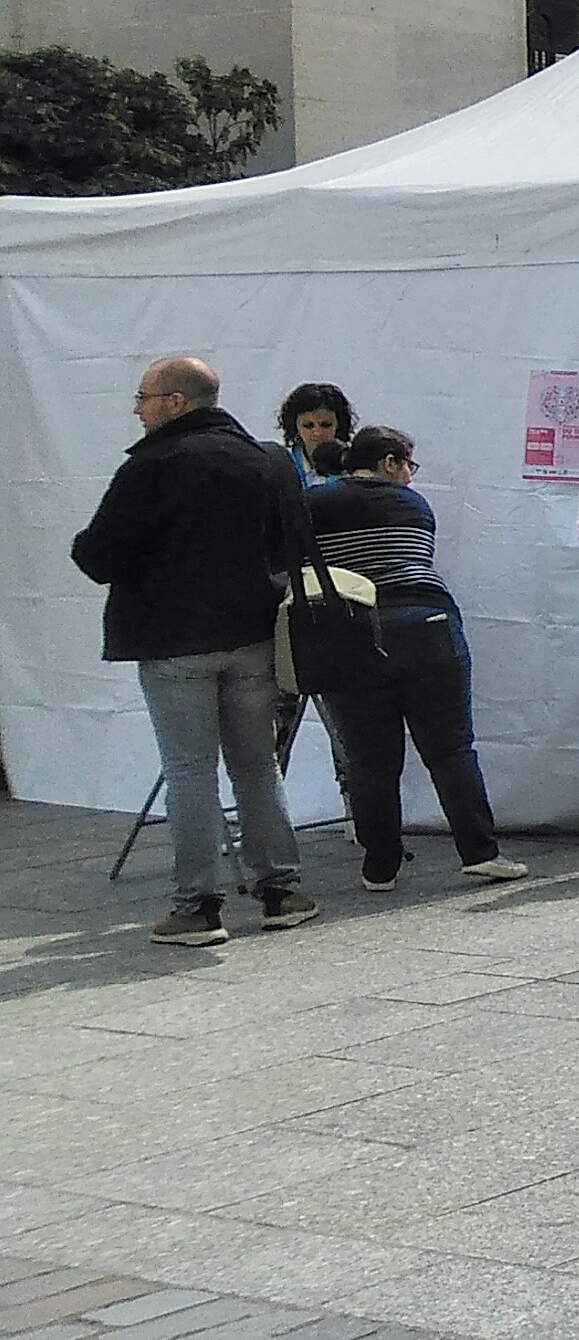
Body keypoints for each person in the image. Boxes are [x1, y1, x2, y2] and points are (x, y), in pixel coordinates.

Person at [70, 355, 314, 947]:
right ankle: (282, 891)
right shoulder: (268, 460)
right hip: (253, 636)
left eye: (143, 397)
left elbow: (98, 555)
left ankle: (199, 907)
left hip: (174, 641)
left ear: (176, 402)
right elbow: (296, 544)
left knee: (190, 772)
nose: (136, 409)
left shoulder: (153, 465)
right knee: (258, 766)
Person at [306, 427, 524, 890]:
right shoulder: (414, 505)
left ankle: (380, 865)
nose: (409, 475)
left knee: (370, 761)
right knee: (450, 750)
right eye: (408, 465)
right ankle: (480, 852)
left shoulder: (312, 504)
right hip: (429, 626)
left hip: (352, 635)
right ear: (389, 462)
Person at [276, 382, 356, 487]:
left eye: (326, 425)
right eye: (308, 425)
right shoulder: (282, 466)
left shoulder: (355, 466)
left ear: (339, 424)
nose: (317, 433)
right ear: (294, 426)